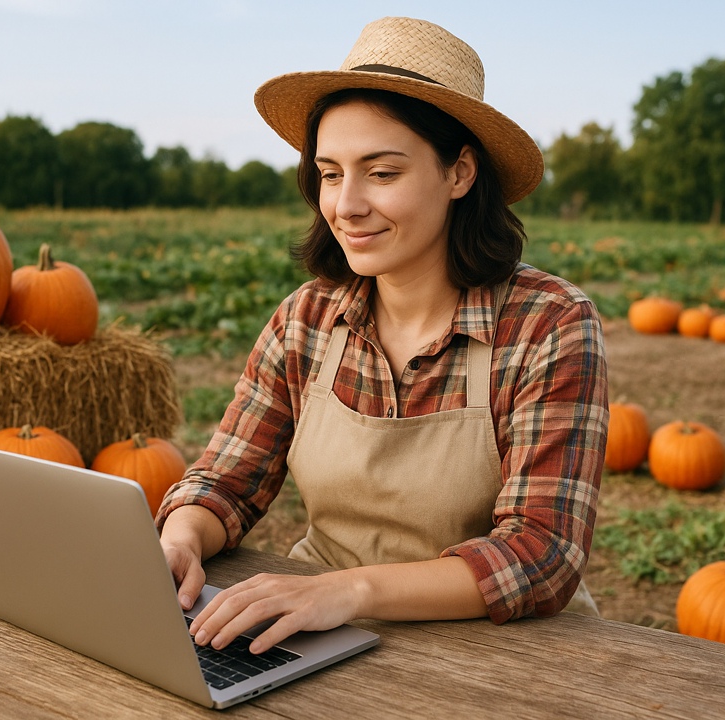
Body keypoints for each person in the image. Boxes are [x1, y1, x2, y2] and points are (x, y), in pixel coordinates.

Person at [155, 16, 609, 655]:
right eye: (331, 173)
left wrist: (349, 591)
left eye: (382, 172)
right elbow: (226, 480)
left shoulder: (548, 323)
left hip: (505, 649)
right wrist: (181, 537)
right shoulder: (306, 320)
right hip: (317, 631)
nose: (346, 205)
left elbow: (541, 552)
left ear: (460, 174)